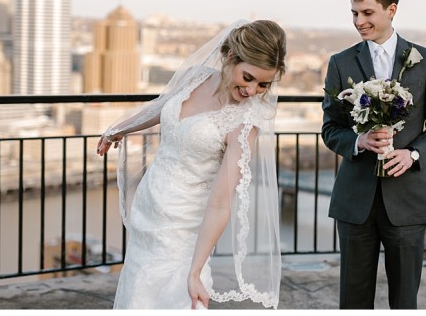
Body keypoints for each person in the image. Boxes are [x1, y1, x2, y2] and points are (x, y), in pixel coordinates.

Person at [97, 19, 286, 309]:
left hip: (183, 229)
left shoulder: (245, 123)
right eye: (247, 77)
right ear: (230, 57)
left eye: (263, 84)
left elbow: (221, 203)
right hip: (149, 210)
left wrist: (195, 271)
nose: (252, 90)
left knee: (178, 300)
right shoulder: (196, 76)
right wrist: (120, 128)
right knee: (137, 292)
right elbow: (162, 108)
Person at [321, 0, 426, 309]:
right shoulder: (340, 62)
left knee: (405, 300)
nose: (358, 22)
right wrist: (358, 141)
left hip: (408, 198)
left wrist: (412, 155)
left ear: (391, 10)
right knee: (353, 299)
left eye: (367, 13)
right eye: (354, 13)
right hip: (355, 200)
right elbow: (330, 128)